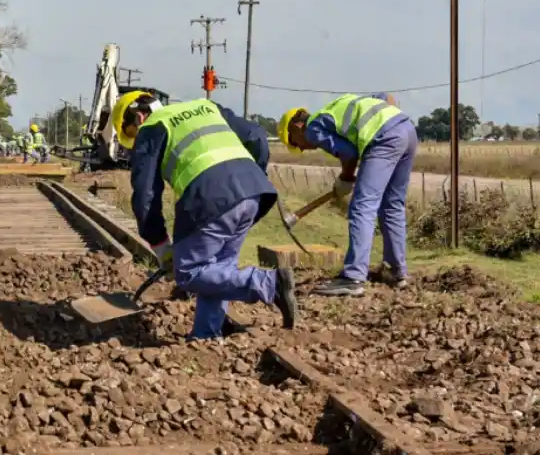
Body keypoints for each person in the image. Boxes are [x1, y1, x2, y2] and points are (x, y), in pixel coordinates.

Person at [112, 91, 298, 339]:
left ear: (138, 116)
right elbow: (257, 136)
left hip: (212, 196)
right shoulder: (206, 107)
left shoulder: (153, 126)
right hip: (254, 192)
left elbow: (145, 195)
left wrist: (160, 245)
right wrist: (253, 175)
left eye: (131, 135)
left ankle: (268, 283)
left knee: (188, 272)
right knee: (219, 270)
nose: (135, 144)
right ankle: (206, 335)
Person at [277, 92, 416, 296]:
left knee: (362, 208)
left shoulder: (313, 128)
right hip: (407, 130)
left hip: (383, 139)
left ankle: (353, 278)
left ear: (297, 127)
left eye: (296, 143)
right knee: (392, 206)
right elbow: (387, 97)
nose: (303, 148)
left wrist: (346, 178)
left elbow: (349, 153)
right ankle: (397, 272)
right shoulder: (338, 106)